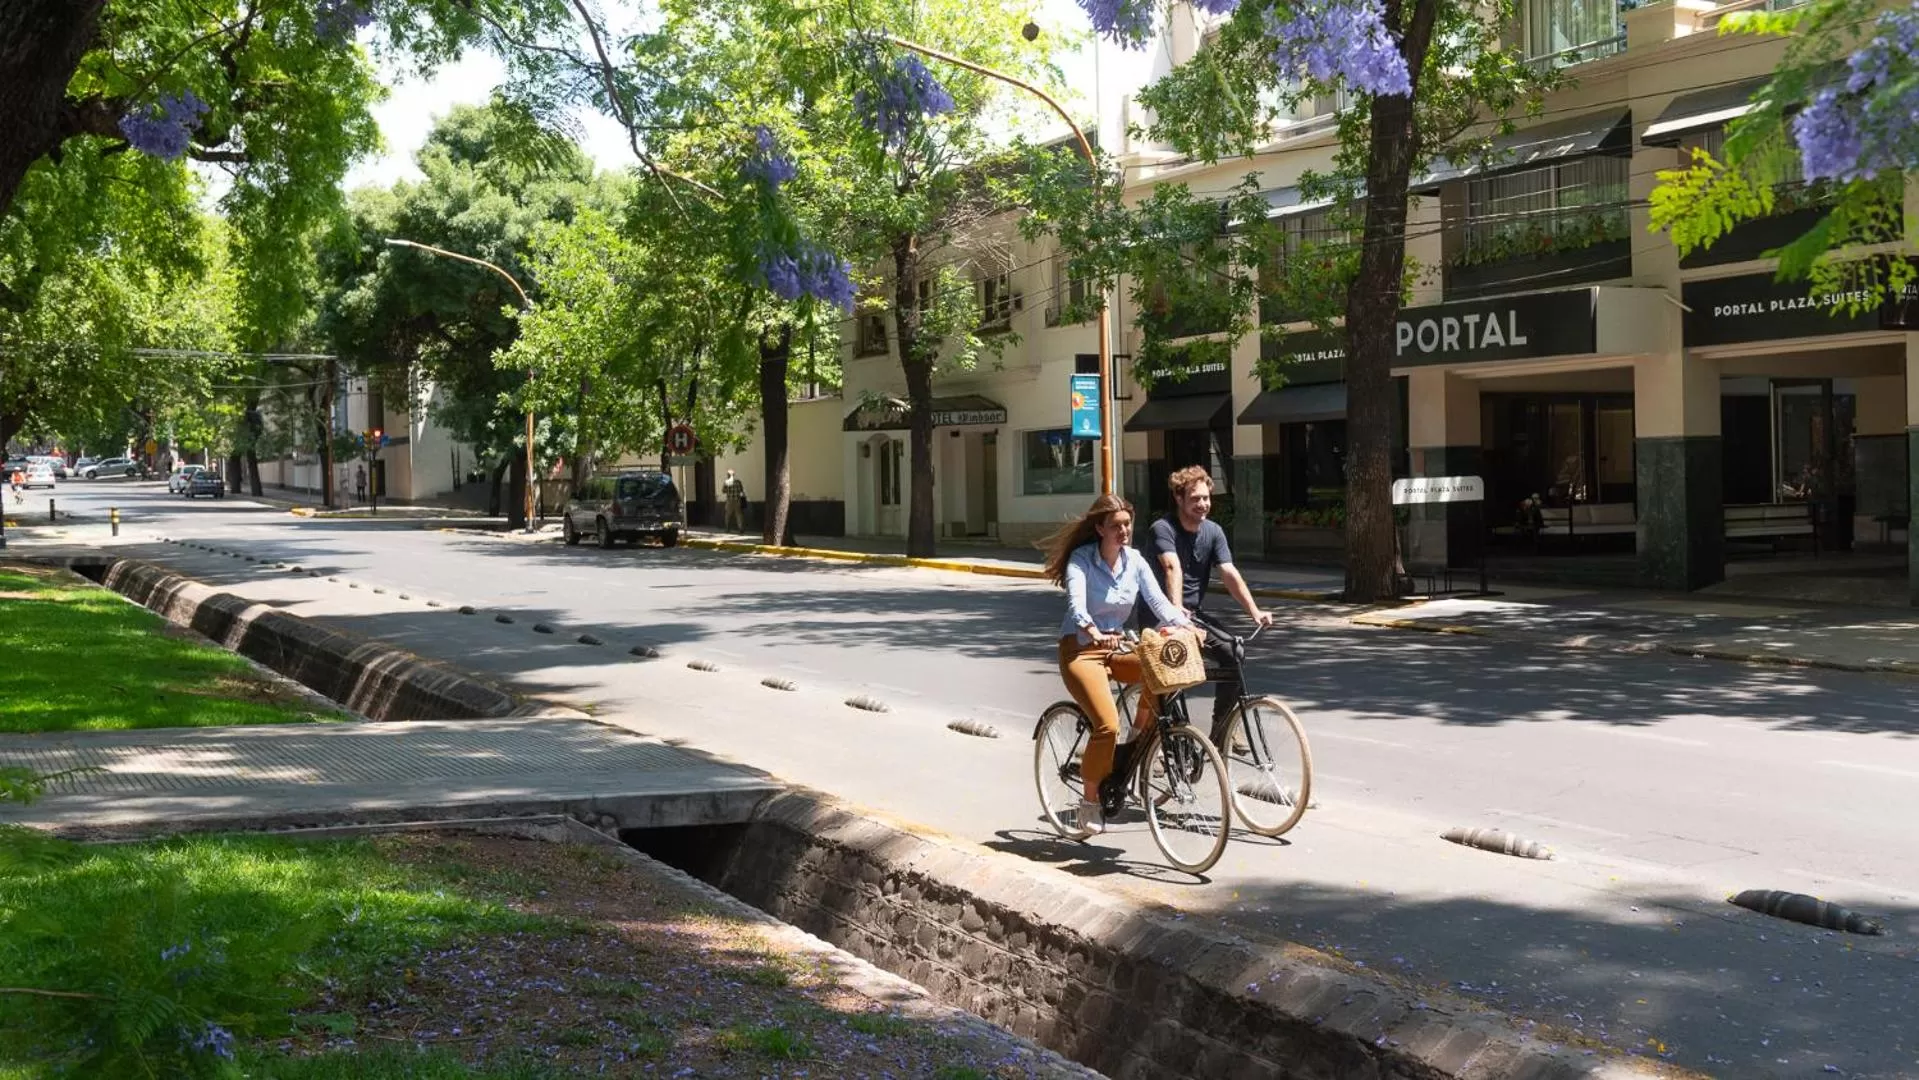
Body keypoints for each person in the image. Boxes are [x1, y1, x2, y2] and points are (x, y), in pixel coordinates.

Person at [1042, 493, 1195, 837]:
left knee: (1162, 677)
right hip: (1081, 650)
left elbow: (1159, 603)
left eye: (1127, 524)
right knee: (1107, 725)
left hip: (1118, 645)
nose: (1124, 531)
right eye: (1116, 526)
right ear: (1099, 528)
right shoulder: (1082, 560)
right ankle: (1089, 802)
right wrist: (1092, 629)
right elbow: (1077, 603)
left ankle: (1133, 746)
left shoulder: (1136, 561)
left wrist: (1188, 626)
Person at [1146, 466, 1274, 746]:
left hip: (1193, 615)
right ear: (1179, 499)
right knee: (1171, 670)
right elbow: (1171, 566)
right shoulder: (1163, 528)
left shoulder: (1213, 532)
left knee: (1234, 652)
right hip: (1158, 616)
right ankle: (1162, 743)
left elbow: (1229, 573)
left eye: (1206, 498)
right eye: (1195, 499)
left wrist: (1254, 611)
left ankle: (1222, 728)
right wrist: (1176, 611)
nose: (1203, 504)